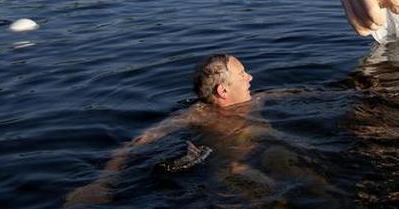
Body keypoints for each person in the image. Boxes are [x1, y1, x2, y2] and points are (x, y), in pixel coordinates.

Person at [64, 54, 256, 206]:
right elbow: (136, 143)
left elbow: (281, 94)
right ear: (223, 91)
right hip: (222, 169)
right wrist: (104, 181)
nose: (250, 77)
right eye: (242, 74)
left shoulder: (258, 100)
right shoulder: (197, 115)